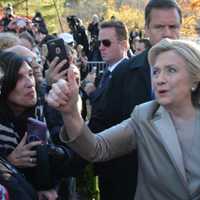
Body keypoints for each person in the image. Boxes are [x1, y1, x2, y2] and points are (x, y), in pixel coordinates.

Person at [47, 38, 200, 200]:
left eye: (171, 70)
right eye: (155, 71)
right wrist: (70, 113)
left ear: (195, 79)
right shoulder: (145, 115)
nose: (160, 79)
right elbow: (96, 148)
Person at [82, 20, 138, 200]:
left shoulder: (129, 74)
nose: (101, 47)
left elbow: (112, 113)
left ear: (124, 44)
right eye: (98, 43)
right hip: (106, 160)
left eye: (106, 43)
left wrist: (92, 93)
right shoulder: (109, 72)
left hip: (122, 163)